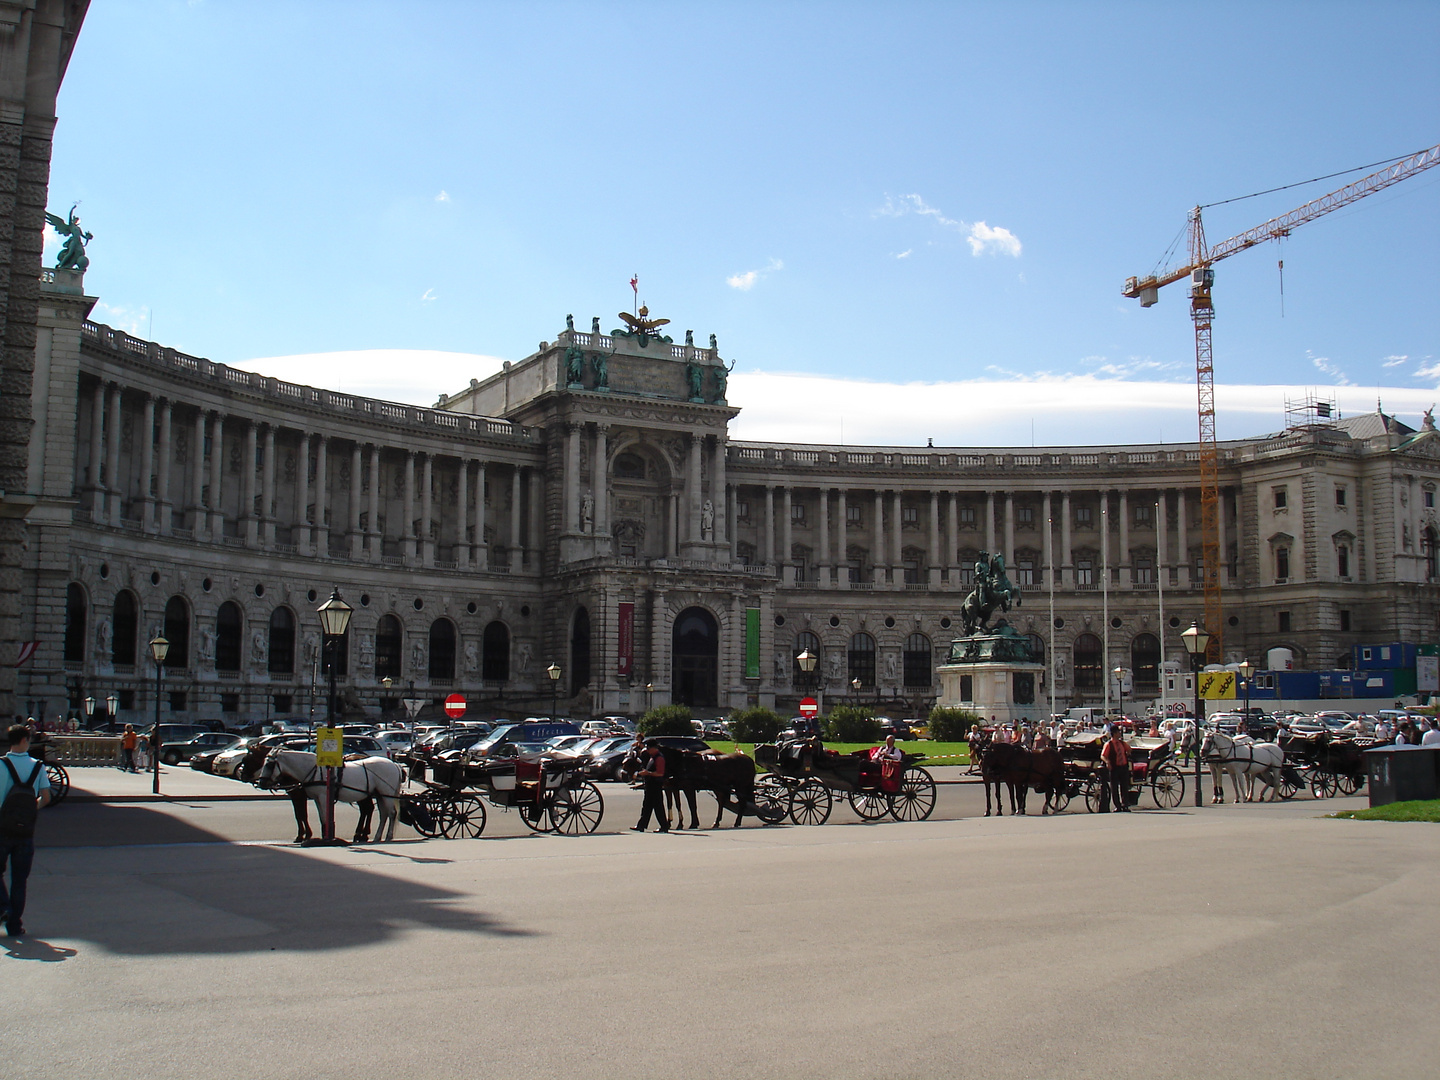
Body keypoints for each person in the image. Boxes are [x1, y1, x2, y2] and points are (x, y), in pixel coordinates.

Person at [1, 724, 52, 937]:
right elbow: (47, 797)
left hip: (1, 829)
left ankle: (4, 907)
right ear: (24, 740)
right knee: (20, 880)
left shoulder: (0, 765)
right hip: (25, 831)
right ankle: (15, 926)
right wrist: (31, 809)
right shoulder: (37, 766)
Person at [631, 739, 669, 833]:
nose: (647, 750)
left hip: (655, 785)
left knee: (658, 807)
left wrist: (648, 773)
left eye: (648, 748)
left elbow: (660, 773)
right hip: (650, 785)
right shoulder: (652, 757)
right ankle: (641, 825)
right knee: (647, 806)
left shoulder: (659, 758)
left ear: (653, 748)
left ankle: (664, 826)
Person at [1101, 728, 1130, 812]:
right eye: (1118, 732)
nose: (1120, 733)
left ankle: (1125, 804)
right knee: (1114, 787)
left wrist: (1127, 753)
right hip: (1114, 767)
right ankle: (1118, 805)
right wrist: (1107, 762)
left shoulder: (1122, 743)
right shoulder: (1109, 744)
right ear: (1114, 733)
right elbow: (1103, 755)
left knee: (1124, 786)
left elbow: (1129, 749)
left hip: (1123, 766)